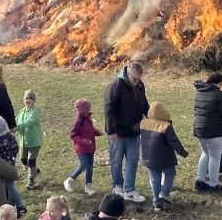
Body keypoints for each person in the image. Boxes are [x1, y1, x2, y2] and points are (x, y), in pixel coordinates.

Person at [103, 60, 149, 202]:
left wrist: (152, 115)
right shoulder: (116, 85)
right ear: (128, 72)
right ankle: (117, 186)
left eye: (139, 79)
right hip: (117, 132)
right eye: (134, 78)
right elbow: (108, 108)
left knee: (133, 161)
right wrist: (111, 130)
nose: (137, 81)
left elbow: (144, 104)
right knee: (116, 160)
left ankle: (129, 189)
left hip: (134, 130)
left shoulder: (139, 85)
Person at [140, 100, 188, 211]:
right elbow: (174, 142)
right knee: (170, 173)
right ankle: (164, 194)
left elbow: (133, 128)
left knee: (154, 179)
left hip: (148, 158)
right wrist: (183, 153)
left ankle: (156, 202)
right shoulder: (166, 126)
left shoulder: (143, 123)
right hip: (165, 158)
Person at [193, 71, 222, 192]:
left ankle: (200, 180)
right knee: (215, 157)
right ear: (219, 83)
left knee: (205, 154)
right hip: (214, 131)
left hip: (199, 129)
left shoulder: (199, 92)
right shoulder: (219, 94)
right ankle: (213, 184)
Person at [0, 116, 25, 217]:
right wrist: (12, 156)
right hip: (10, 165)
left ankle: (5, 207)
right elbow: (15, 148)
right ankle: (20, 206)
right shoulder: (11, 137)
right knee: (11, 187)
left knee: (1, 187)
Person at [66, 98, 101, 195]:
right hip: (81, 148)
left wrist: (96, 132)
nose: (89, 109)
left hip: (90, 147)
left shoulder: (87, 117)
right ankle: (70, 179)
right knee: (84, 164)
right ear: (83, 110)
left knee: (90, 167)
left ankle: (88, 186)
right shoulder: (78, 120)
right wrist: (84, 141)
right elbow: (73, 135)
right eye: (88, 108)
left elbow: (89, 129)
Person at [17, 89, 43, 190]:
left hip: (34, 141)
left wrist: (17, 127)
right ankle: (35, 170)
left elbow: (28, 122)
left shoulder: (35, 111)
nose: (28, 100)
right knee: (23, 160)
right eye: (26, 98)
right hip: (23, 141)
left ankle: (31, 181)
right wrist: (11, 127)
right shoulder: (21, 111)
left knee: (31, 161)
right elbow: (16, 121)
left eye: (30, 98)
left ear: (34, 100)